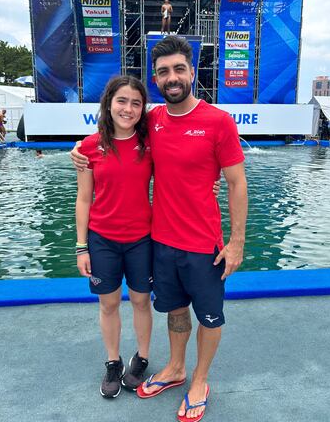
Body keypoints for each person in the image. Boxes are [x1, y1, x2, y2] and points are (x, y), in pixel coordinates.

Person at [71, 36, 248, 422]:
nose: (172, 77)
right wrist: (77, 151)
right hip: (161, 241)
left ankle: (199, 379)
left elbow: (236, 183)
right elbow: (111, 137)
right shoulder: (152, 121)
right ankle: (176, 367)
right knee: (176, 311)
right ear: (156, 78)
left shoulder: (219, 122)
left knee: (210, 316)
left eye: (179, 69)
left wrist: (237, 242)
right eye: (164, 71)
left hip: (205, 244)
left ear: (192, 71)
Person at [76, 75, 153, 399]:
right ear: (109, 104)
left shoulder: (150, 144)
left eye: (136, 103)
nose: (129, 108)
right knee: (108, 303)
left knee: (140, 300)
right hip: (102, 239)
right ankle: (113, 361)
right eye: (122, 101)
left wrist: (212, 183)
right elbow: (83, 198)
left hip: (141, 239)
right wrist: (81, 246)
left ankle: (142, 358)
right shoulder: (89, 147)